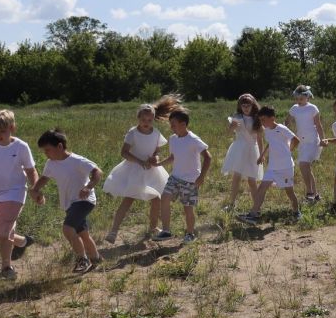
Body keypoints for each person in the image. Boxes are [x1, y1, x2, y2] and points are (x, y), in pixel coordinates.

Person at [103, 95, 181, 244]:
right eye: (143, 120)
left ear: (153, 119)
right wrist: (140, 162)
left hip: (151, 170)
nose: (146, 122)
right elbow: (124, 152)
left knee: (156, 199)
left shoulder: (156, 133)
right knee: (128, 199)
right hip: (134, 169)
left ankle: (153, 228)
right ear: (138, 118)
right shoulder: (133, 133)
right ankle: (113, 231)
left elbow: (157, 150)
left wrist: (155, 158)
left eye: (149, 120)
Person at [0, 110, 40, 279]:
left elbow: (31, 170)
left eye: (2, 131)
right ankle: (23, 241)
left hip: (15, 192)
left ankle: (6, 268)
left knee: (4, 231)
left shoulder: (21, 146)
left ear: (12, 128)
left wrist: (35, 189)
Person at [33, 129, 102, 273]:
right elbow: (44, 178)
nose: (46, 154)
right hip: (69, 204)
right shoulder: (51, 163)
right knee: (83, 234)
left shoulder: (77, 161)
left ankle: (82, 260)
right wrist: (35, 189)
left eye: (48, 150)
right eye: (44, 151)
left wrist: (88, 187)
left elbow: (97, 172)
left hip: (84, 200)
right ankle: (96, 259)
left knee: (67, 229)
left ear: (59, 146)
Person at [156, 107, 211, 243]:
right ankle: (166, 231)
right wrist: (159, 164)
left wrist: (201, 177)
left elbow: (208, 157)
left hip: (190, 181)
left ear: (183, 124)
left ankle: (190, 234)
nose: (171, 127)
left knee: (187, 209)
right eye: (171, 124)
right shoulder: (173, 139)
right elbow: (172, 157)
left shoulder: (193, 139)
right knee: (164, 198)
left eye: (173, 125)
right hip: (175, 177)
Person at [238, 106, 300, 223]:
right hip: (272, 167)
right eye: (261, 120)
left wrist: (289, 150)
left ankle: (296, 212)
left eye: (264, 119)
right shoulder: (267, 130)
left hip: (285, 167)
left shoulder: (281, 128)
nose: (262, 122)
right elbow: (270, 143)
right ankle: (253, 214)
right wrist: (262, 155)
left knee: (289, 191)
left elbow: (296, 140)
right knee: (262, 188)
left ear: (272, 118)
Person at [222, 94, 263, 210]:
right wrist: (232, 127)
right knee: (236, 177)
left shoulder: (257, 118)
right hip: (239, 149)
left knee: (252, 180)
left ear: (252, 105)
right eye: (243, 105)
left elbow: (260, 139)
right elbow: (228, 133)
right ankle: (231, 204)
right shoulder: (237, 117)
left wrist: (261, 154)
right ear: (240, 106)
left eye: (248, 105)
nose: (246, 108)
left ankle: (257, 206)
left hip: (252, 150)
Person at [287, 85, 325, 203]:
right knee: (306, 167)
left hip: (313, 141)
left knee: (303, 164)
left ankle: (309, 193)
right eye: (297, 99)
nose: (299, 101)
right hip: (301, 142)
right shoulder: (294, 108)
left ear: (307, 97)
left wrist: (323, 139)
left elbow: (318, 125)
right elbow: (287, 122)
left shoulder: (312, 108)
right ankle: (316, 194)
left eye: (301, 98)